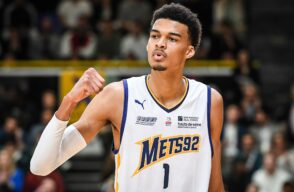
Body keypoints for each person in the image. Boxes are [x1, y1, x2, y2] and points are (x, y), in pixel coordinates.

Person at [30, 3, 224, 191]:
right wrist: (69, 101)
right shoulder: (118, 96)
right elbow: (41, 166)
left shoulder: (209, 101)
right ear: (147, 44)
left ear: (189, 50)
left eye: (172, 39)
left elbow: (214, 185)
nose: (160, 43)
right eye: (155, 36)